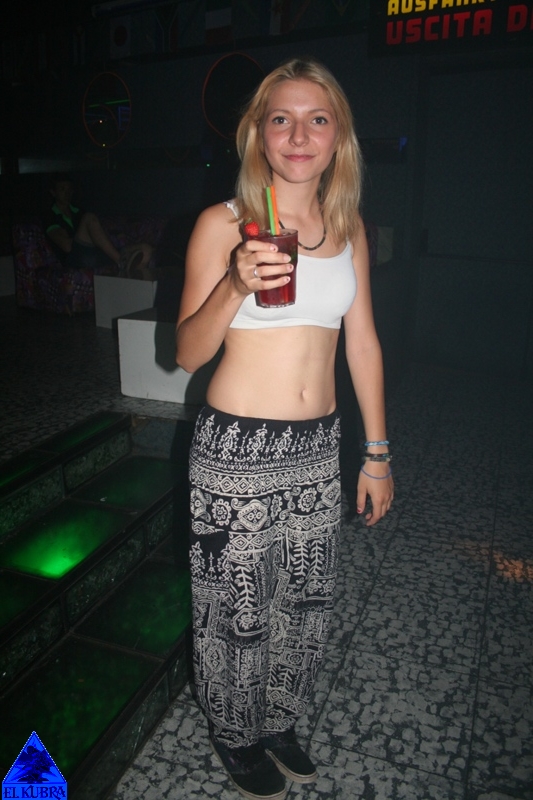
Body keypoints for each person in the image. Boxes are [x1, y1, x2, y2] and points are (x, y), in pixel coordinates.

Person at [175, 57, 394, 800]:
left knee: (303, 601)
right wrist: (234, 283)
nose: (299, 135)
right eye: (281, 119)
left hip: (317, 446)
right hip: (237, 447)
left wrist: (376, 454)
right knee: (236, 608)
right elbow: (185, 353)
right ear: (258, 134)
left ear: (338, 137)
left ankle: (277, 718)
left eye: (316, 119)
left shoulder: (348, 226)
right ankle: (233, 730)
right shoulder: (222, 224)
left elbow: (362, 343)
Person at [45, 174, 152, 277]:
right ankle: (121, 262)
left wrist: (101, 240)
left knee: (145, 250)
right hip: (75, 258)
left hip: (96, 252)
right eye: (62, 189)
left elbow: (99, 237)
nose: (67, 193)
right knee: (89, 218)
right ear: (53, 192)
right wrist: (93, 238)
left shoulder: (78, 212)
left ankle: (130, 283)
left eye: (69, 189)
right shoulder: (50, 216)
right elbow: (67, 246)